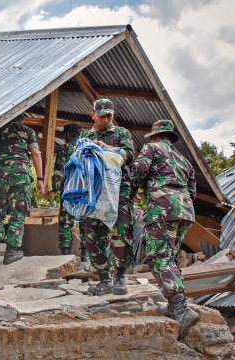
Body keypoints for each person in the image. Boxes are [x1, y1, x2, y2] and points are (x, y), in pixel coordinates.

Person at [130, 119, 200, 339]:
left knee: (158, 256)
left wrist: (132, 192)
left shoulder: (151, 148)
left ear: (155, 136)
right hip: (185, 211)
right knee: (169, 256)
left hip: (163, 208)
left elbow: (138, 171)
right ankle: (174, 307)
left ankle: (180, 307)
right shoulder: (184, 160)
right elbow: (192, 191)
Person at [81, 98, 135, 296]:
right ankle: (104, 278)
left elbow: (129, 154)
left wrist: (105, 148)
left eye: (108, 116)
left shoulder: (122, 133)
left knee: (121, 233)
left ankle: (120, 276)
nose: (105, 119)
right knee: (92, 236)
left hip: (119, 191)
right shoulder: (86, 136)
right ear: (92, 115)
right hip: (94, 193)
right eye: (101, 115)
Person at [0, 113, 46, 265]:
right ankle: (11, 253)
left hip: (0, 175)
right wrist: (40, 179)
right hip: (21, 175)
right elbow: (36, 154)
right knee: (18, 213)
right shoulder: (27, 131)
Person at [46, 123, 88, 259]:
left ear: (68, 135)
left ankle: (66, 255)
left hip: (69, 192)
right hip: (85, 192)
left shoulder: (65, 148)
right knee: (85, 221)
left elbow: (59, 171)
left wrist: (55, 188)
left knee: (66, 222)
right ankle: (86, 255)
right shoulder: (87, 149)